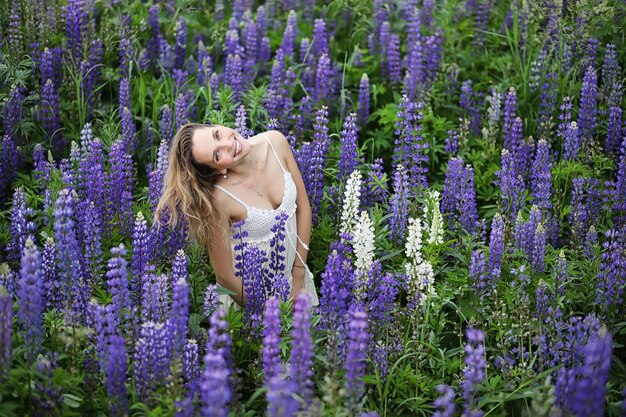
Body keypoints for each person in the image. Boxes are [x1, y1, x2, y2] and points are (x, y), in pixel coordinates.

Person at [155, 123, 319, 309]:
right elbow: (224, 276)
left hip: (297, 284)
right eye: (217, 155)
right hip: (252, 301)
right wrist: (266, 313)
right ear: (218, 170)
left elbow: (303, 207)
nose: (227, 144)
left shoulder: (275, 141)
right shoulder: (219, 199)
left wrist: (298, 277)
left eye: (217, 134)